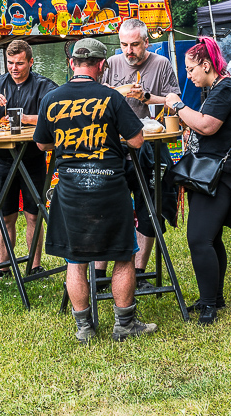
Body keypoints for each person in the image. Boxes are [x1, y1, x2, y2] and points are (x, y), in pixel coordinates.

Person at [34, 38, 157, 343]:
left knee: (75, 260)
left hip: (70, 189)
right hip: (109, 188)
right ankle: (124, 324)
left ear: (71, 63)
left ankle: (84, 328)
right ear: (102, 65)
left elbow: (42, 144)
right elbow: (137, 140)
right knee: (123, 255)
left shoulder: (51, 98)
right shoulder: (110, 97)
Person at [165, 37, 231, 326]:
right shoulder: (217, 88)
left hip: (218, 176)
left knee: (199, 239)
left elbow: (206, 124)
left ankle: (209, 305)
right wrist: (153, 98)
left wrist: (178, 106)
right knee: (211, 238)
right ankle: (214, 297)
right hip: (212, 174)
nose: (188, 75)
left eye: (191, 69)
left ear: (206, 65)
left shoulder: (225, 89)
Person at [96, 18, 182, 288]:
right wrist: (117, 92)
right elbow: (96, 98)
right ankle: (99, 274)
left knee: (150, 206)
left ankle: (140, 273)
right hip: (114, 146)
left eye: (134, 45)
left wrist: (146, 97)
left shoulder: (161, 64)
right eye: (124, 45)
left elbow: (174, 101)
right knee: (107, 207)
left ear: (146, 42)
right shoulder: (111, 63)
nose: (129, 51)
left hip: (150, 144)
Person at [0, 40, 58, 278]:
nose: (14, 68)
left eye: (19, 63)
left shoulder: (45, 86)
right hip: (3, 159)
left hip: (33, 158)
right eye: (10, 63)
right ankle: (3, 267)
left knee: (33, 214)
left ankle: (34, 266)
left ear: (31, 62)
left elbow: (58, 116)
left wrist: (26, 118)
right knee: (5, 214)